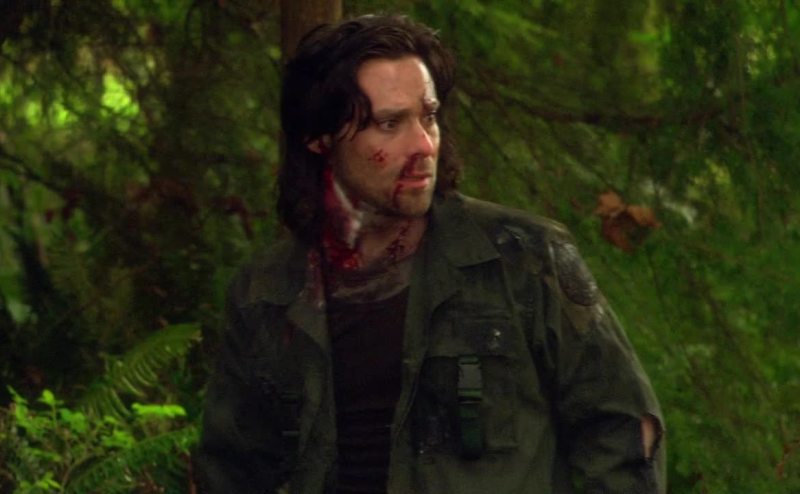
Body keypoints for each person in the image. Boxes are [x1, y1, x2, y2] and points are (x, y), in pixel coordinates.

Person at [196, 14, 665, 494]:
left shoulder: (524, 258)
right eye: (389, 123)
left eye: (429, 117)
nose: (423, 145)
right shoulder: (267, 292)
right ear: (320, 139)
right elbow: (229, 469)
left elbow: (625, 433)